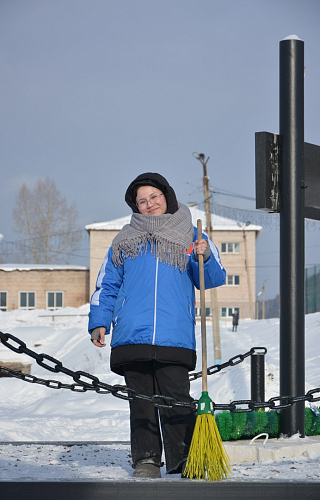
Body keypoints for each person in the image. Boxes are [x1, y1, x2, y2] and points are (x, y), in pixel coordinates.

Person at [88, 172, 226, 478]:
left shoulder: (192, 235)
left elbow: (213, 280)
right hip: (130, 334)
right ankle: (146, 460)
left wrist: (202, 258)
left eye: (154, 197)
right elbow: (106, 285)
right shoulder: (123, 240)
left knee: (177, 400)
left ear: (167, 196)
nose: (149, 204)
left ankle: (184, 460)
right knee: (140, 403)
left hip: (173, 334)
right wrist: (100, 321)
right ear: (135, 206)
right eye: (142, 200)